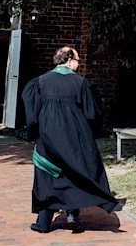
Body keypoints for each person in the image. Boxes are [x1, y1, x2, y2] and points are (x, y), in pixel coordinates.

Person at [23, 46, 119, 233]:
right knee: (74, 173)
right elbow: (92, 115)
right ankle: (72, 214)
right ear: (68, 60)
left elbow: (32, 113)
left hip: (48, 140)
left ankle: (43, 223)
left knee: (47, 178)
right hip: (75, 139)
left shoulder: (40, 82)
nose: (78, 64)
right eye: (77, 60)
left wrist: (34, 132)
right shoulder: (81, 83)